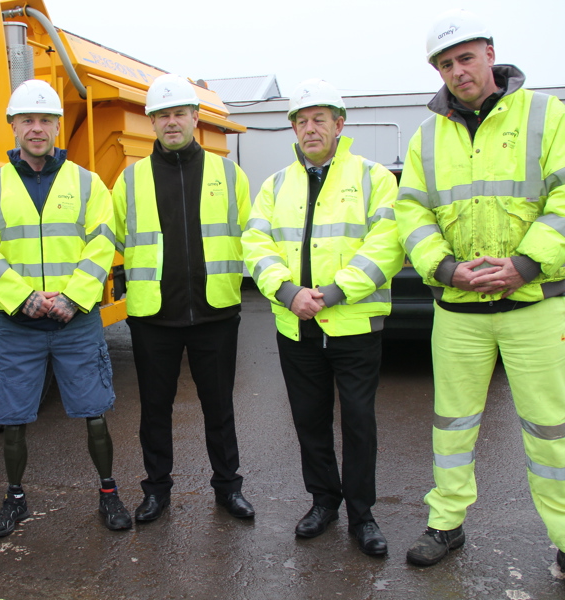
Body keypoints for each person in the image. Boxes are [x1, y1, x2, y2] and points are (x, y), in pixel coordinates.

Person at [397, 9, 565, 569]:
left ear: (490, 53)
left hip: (533, 302)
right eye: (445, 63)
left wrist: (525, 262)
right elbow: (412, 213)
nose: (457, 71)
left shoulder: (546, 114)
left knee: (551, 428)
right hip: (459, 308)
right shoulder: (426, 136)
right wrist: (444, 269)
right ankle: (446, 525)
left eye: (465, 58)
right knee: (452, 422)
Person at [242, 79, 404, 556]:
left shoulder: (374, 178)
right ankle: (323, 502)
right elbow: (255, 244)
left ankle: (362, 514)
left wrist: (334, 292)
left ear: (339, 124)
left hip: (354, 325)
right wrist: (287, 292)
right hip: (296, 325)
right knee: (309, 420)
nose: (309, 128)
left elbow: (387, 246)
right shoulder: (275, 185)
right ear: (292, 128)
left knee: (357, 421)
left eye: (319, 119)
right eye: (301, 120)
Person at [0, 79, 131, 536]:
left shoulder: (87, 182)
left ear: (58, 127)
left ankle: (108, 491)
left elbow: (103, 242)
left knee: (93, 409)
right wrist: (24, 298)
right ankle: (15, 498)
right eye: (27, 121)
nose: (36, 129)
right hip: (16, 322)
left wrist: (73, 297)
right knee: (12, 416)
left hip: (74, 320)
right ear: (13, 127)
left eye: (45, 121)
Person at [112, 73, 254, 522]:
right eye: (162, 115)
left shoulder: (229, 175)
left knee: (219, 407)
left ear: (195, 117)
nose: (171, 122)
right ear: (151, 122)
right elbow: (116, 235)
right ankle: (156, 490)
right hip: (154, 316)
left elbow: (250, 235)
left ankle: (228, 488)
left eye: (179, 113)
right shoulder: (130, 180)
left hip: (215, 311)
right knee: (154, 410)